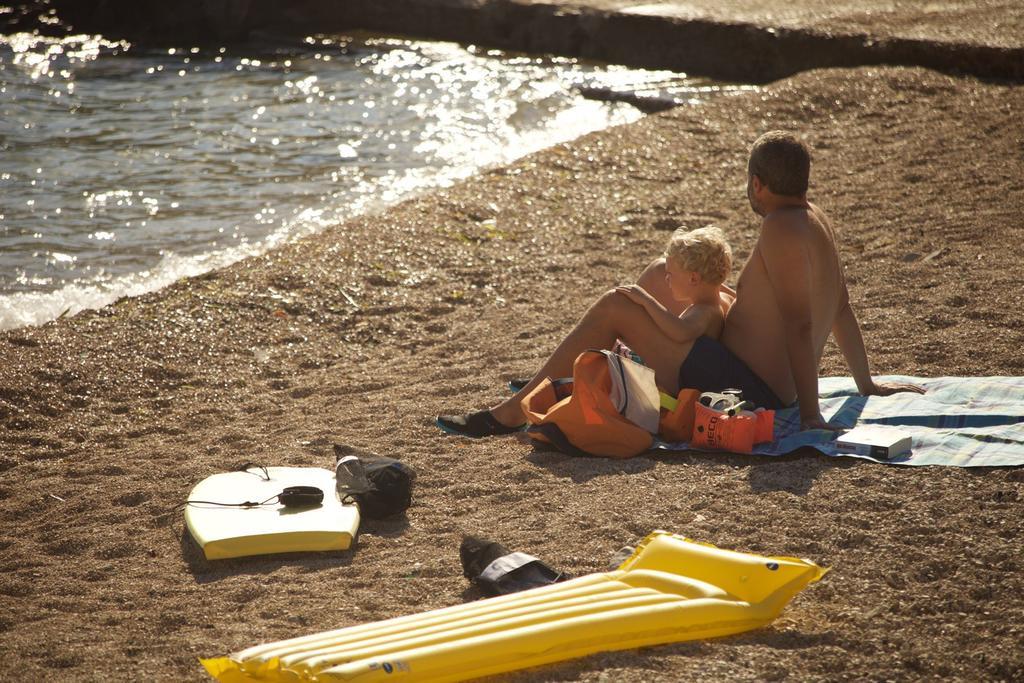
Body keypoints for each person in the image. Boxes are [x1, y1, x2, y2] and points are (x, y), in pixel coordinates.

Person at [638, 131, 923, 429]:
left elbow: (799, 325)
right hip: (755, 374)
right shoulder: (815, 217)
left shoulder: (780, 227)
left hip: (745, 385)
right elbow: (841, 308)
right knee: (663, 272)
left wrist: (810, 415)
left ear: (757, 183)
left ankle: (607, 375)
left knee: (621, 307)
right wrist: (866, 384)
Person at [437, 226, 734, 437]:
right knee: (654, 271)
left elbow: (681, 332)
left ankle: (512, 414)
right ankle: (556, 373)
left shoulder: (704, 311)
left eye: (675, 276)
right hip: (699, 362)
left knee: (615, 304)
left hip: (690, 383)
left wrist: (647, 302)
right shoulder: (708, 299)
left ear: (695, 278)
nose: (668, 281)